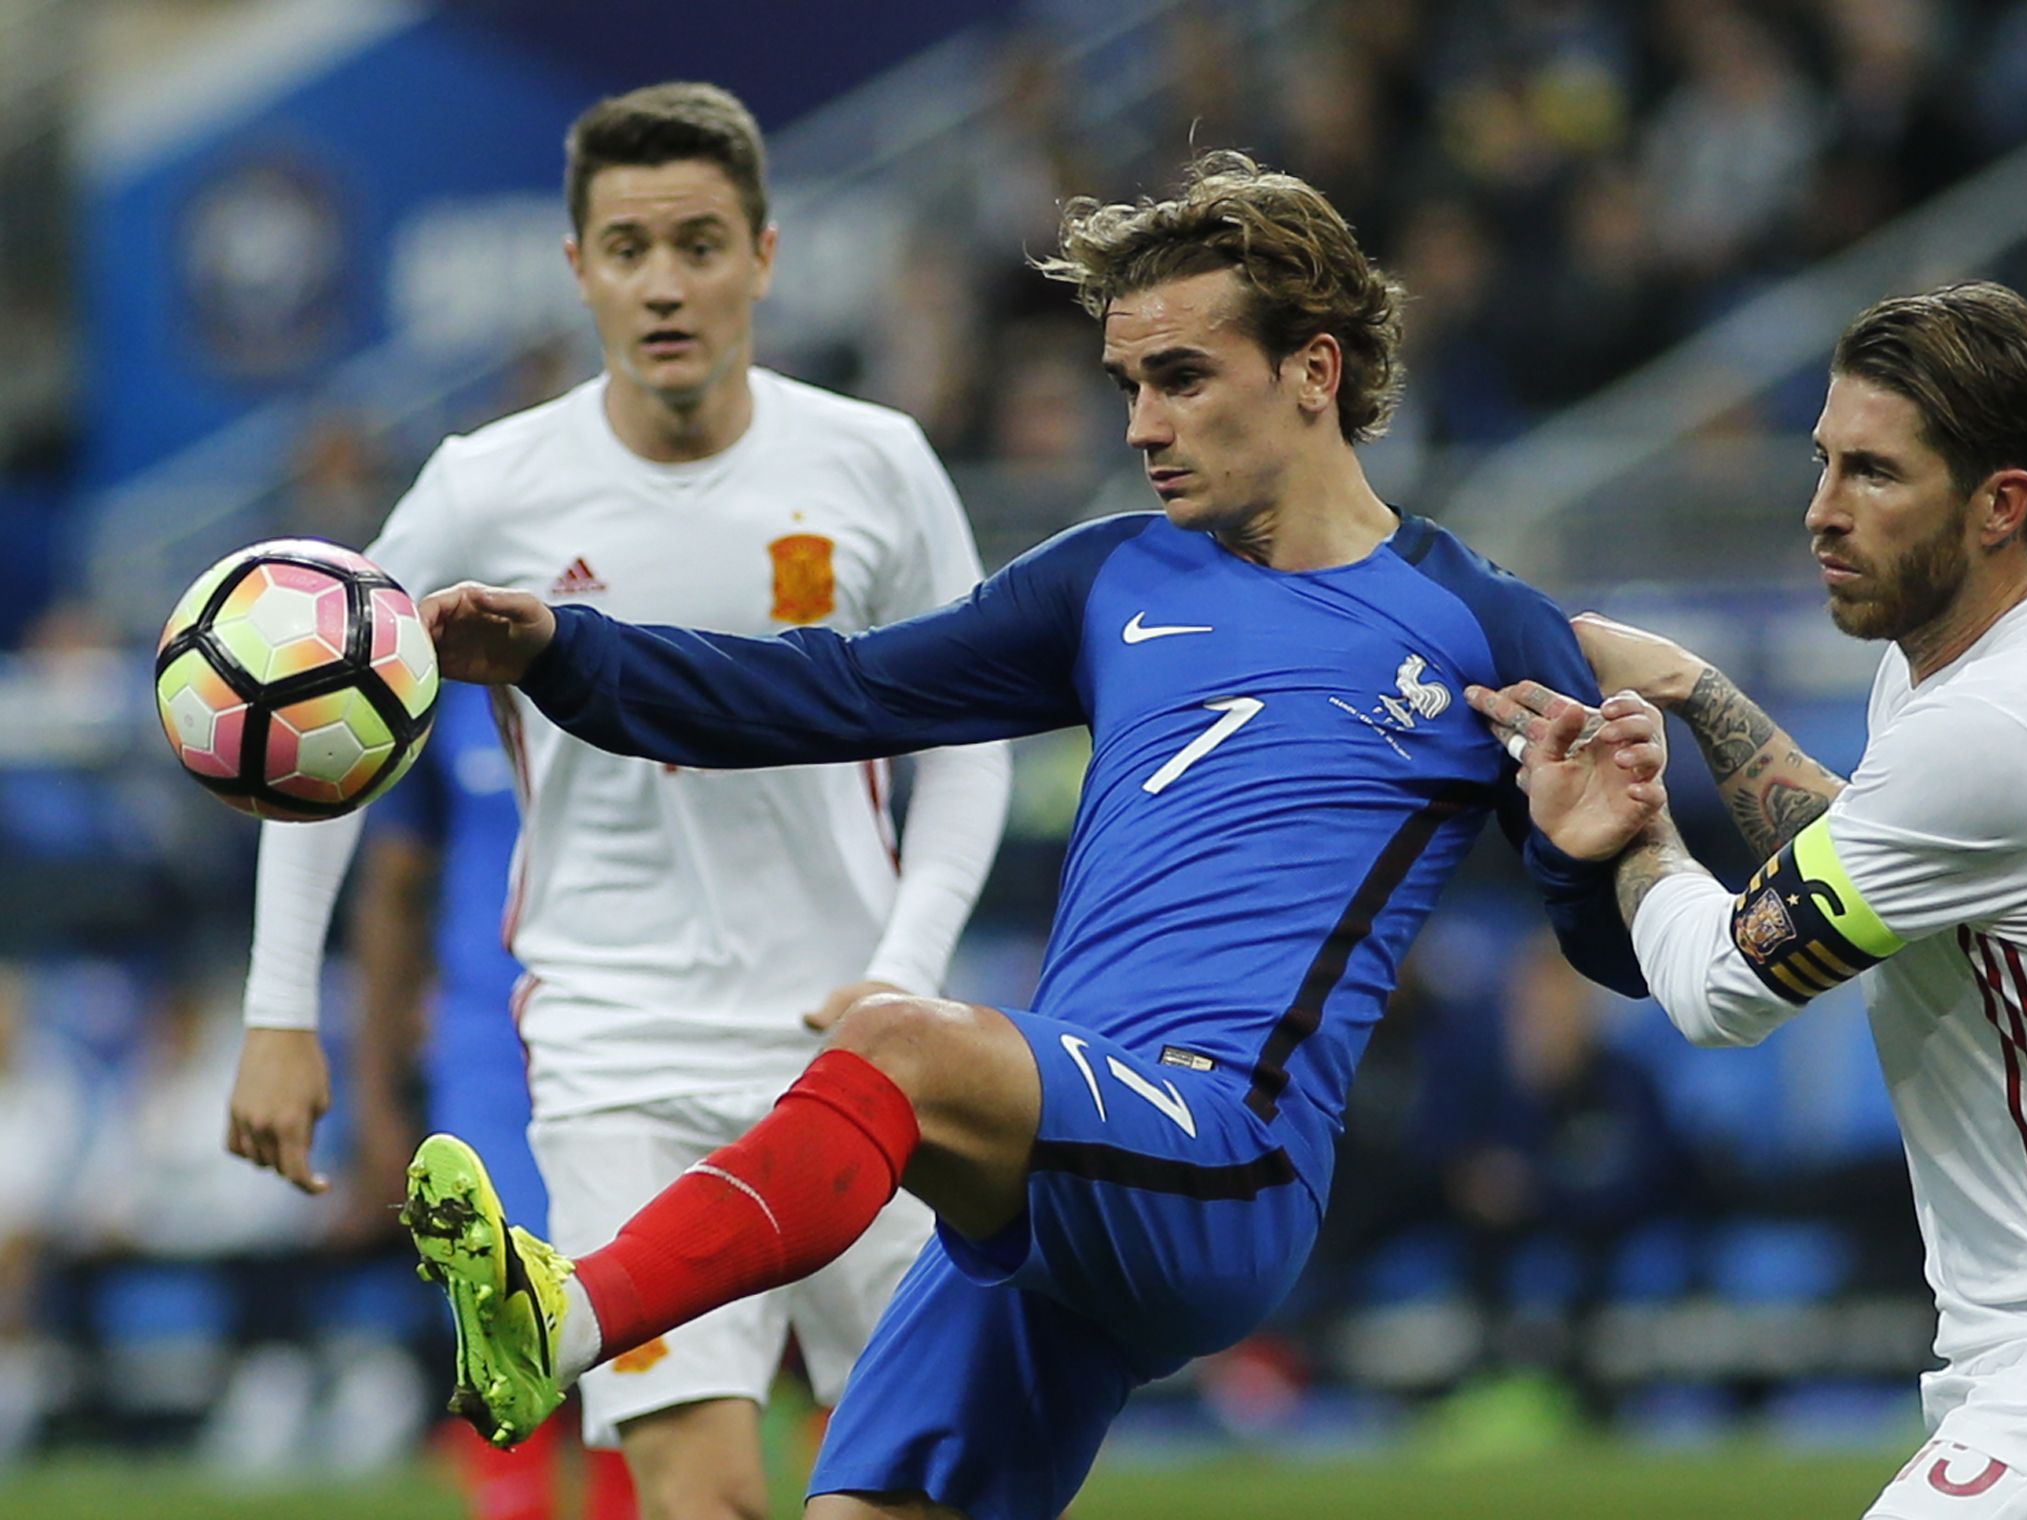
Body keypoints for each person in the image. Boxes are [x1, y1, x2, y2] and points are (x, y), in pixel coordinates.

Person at [395, 149, 1648, 1520]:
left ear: (1314, 372)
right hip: (1045, 1174)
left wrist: (1593, 859)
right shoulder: (1108, 577)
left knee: (901, 1041)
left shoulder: (1484, 626)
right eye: (1129, 387)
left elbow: (1623, 949)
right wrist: (564, 652)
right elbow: (830, 692)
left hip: (1227, 1153)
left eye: (1181, 379)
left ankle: (567, 1319)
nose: (1141, 426)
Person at [223, 82, 1011, 1520]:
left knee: (925, 1484)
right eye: (630, 246)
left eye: (700, 243)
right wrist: (283, 1012)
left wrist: (905, 972)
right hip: (613, 1052)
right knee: (697, 1495)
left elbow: (972, 739)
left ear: (764, 257)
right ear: (578, 265)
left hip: (859, 1051)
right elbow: (332, 718)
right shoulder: (488, 484)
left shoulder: (874, 464)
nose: (666, 283)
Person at [1479, 281, 2027, 1519]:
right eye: (1820, 462)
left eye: (1871, 473)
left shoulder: (1997, 727)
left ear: (1997, 505)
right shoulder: (1995, 668)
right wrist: (1700, 694)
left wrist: (1637, 826)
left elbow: (1712, 990)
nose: (1818, 511)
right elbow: (1856, 848)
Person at [351, 682, 636, 1520]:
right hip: (488, 1059)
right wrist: (376, 1104)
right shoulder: (441, 694)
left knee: (639, 1340)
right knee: (499, 1336)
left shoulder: (647, 650)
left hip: (637, 1046)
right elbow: (395, 887)